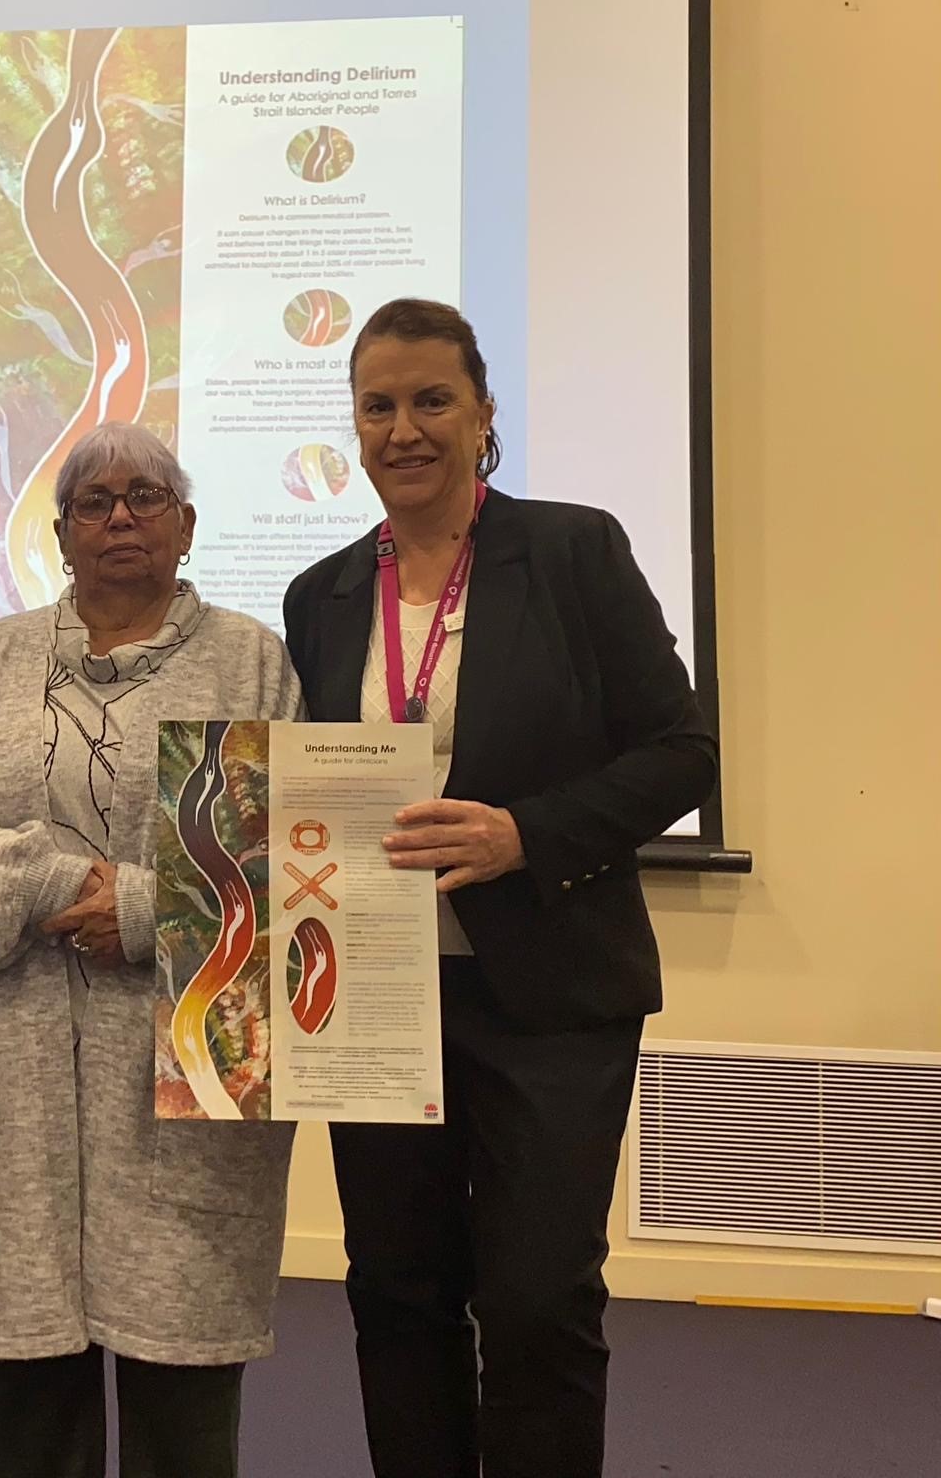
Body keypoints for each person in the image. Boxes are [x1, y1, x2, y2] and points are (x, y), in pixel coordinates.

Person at [282, 298, 717, 1478]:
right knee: (397, 1295)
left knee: (534, 1300)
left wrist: (524, 832)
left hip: (550, 990)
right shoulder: (318, 594)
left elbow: (683, 752)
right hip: (374, 998)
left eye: (432, 400)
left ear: (482, 414)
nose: (403, 428)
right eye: (378, 405)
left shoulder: (572, 549)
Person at [0, 422, 302, 1478]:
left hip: (188, 1055)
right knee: (22, 1382)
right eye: (94, 500)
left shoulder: (253, 658)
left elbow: (292, 862)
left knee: (182, 1372)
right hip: (10, 1050)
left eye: (147, 494)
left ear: (188, 523)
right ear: (62, 530)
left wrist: (130, 903)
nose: (121, 515)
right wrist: (43, 880)